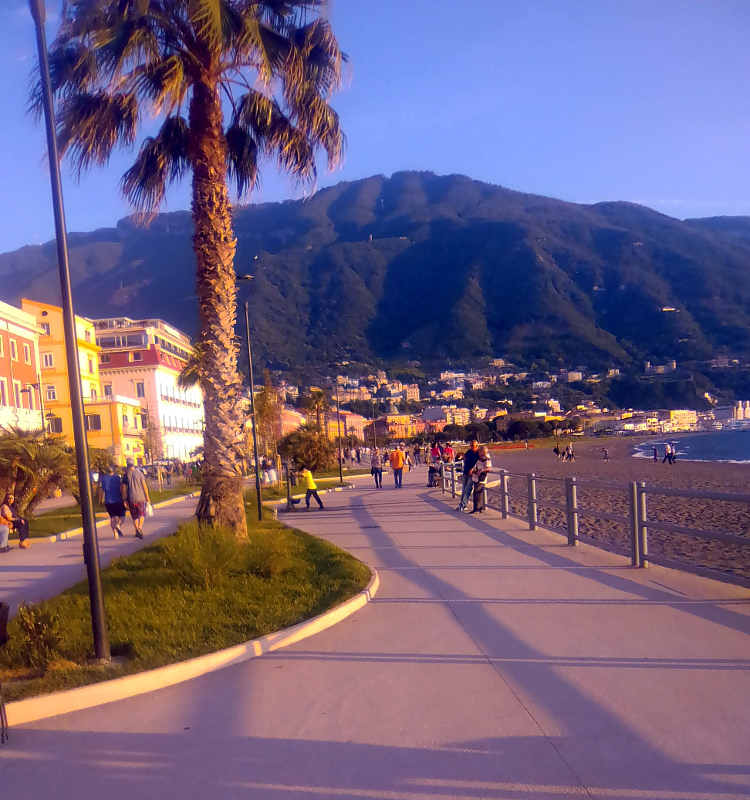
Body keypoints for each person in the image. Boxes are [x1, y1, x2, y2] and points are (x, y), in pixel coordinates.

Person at [121, 458, 151, 539]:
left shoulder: (126, 475)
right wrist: (147, 497)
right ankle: (139, 528)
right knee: (141, 514)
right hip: (141, 497)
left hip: (131, 498)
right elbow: (144, 486)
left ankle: (137, 530)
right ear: (134, 464)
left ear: (127, 465)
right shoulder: (140, 474)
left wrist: (124, 499)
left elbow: (123, 488)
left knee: (134, 516)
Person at [98, 465, 126, 538]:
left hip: (108, 501)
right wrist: (124, 498)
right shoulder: (117, 478)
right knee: (122, 515)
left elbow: (101, 491)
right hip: (118, 500)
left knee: (112, 517)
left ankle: (115, 533)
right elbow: (121, 489)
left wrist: (100, 501)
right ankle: (118, 525)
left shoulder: (103, 479)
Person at [456, 440, 481, 511]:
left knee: (467, 489)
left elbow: (479, 463)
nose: (471, 447)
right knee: (464, 489)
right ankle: (463, 504)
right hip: (465, 473)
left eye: (473, 445)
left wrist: (473, 469)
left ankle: (462, 505)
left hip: (472, 474)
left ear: (476, 446)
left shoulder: (478, 454)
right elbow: (465, 457)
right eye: (471, 445)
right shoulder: (469, 452)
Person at [469, 446, 493, 514]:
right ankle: (476, 508)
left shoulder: (486, 457)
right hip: (476, 477)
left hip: (481, 477)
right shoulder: (480, 457)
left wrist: (482, 470)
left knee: (477, 493)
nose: (478, 452)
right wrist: (473, 469)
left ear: (482, 451)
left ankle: (477, 509)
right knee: (476, 493)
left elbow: (489, 468)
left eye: (479, 450)